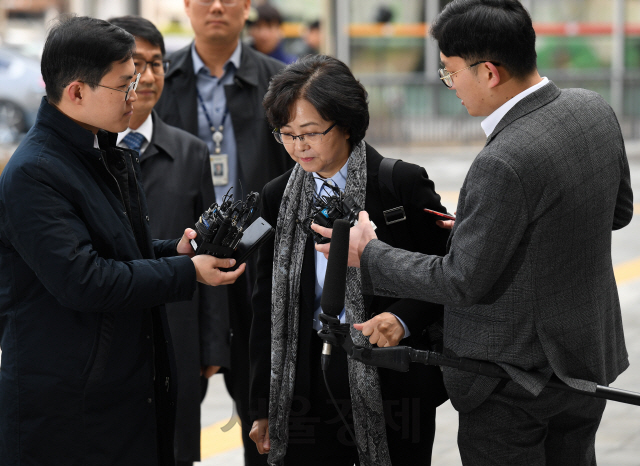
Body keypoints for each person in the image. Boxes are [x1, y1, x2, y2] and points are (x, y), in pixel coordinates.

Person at [313, 1, 634, 465]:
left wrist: (371, 253)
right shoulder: (591, 108)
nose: (450, 86)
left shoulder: (503, 160)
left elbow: (461, 280)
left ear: (488, 72)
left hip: (511, 377)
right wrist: (496, 227)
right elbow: (617, 212)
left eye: (451, 72)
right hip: (583, 363)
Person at [0, 15, 244, 466]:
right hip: (69, 407)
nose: (137, 95)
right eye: (123, 86)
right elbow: (85, 280)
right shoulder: (35, 172)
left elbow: (121, 252)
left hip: (116, 390)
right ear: (76, 91)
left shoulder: (100, 150)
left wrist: (175, 250)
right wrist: (187, 272)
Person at [248, 54, 450, 466]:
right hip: (304, 380)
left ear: (344, 124)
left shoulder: (399, 185)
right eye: (285, 134)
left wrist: (403, 318)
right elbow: (264, 302)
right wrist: (262, 403)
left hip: (390, 375)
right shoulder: (276, 196)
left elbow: (448, 274)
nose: (297, 147)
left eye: (309, 133)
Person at [154, 1, 294, 464]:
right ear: (187, 6)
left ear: (247, 6)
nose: (217, 6)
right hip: (180, 259)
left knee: (266, 415)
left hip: (259, 263)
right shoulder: (157, 76)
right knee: (169, 416)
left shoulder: (281, 82)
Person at [108, 15, 225, 466]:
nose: (150, 76)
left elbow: (211, 248)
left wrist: (212, 345)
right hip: (117, 328)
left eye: (157, 63)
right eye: (137, 64)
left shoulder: (190, 151)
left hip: (178, 332)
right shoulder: (88, 156)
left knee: (175, 448)